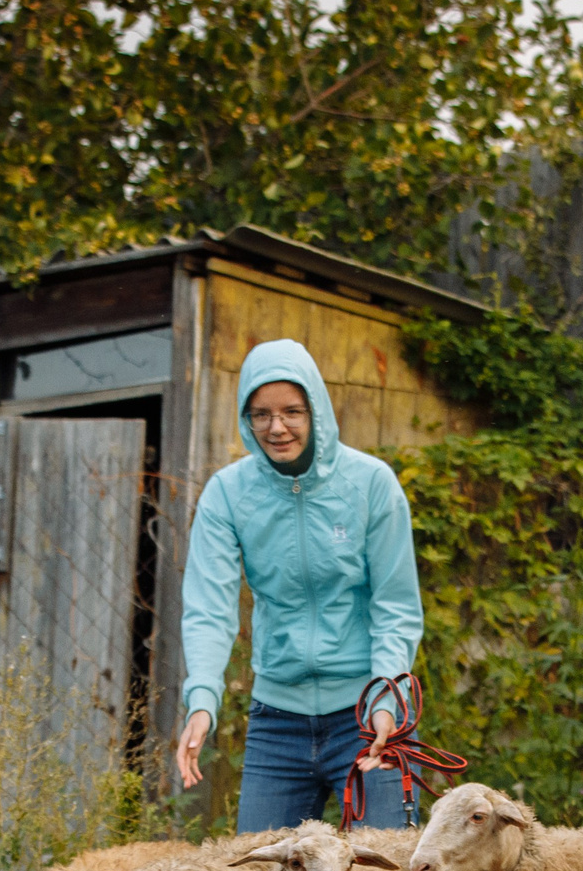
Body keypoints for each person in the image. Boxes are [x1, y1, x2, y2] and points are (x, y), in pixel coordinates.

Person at [175, 339, 423, 833]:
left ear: (317, 410)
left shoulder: (371, 485)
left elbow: (395, 605)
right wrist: (202, 701)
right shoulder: (227, 495)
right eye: (261, 414)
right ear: (247, 417)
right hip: (277, 722)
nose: (277, 427)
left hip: (366, 717)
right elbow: (209, 608)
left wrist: (383, 701)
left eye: (292, 410)